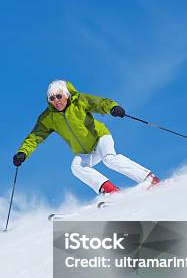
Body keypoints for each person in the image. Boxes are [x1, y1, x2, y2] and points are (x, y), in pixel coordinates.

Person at [12, 80, 160, 195]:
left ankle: (149, 179)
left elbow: (99, 103)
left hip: (100, 138)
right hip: (85, 151)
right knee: (76, 167)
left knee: (109, 159)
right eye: (52, 98)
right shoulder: (48, 118)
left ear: (66, 95)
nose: (56, 101)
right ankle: (110, 191)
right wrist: (23, 153)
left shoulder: (79, 101)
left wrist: (112, 108)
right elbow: (35, 137)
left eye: (59, 96)